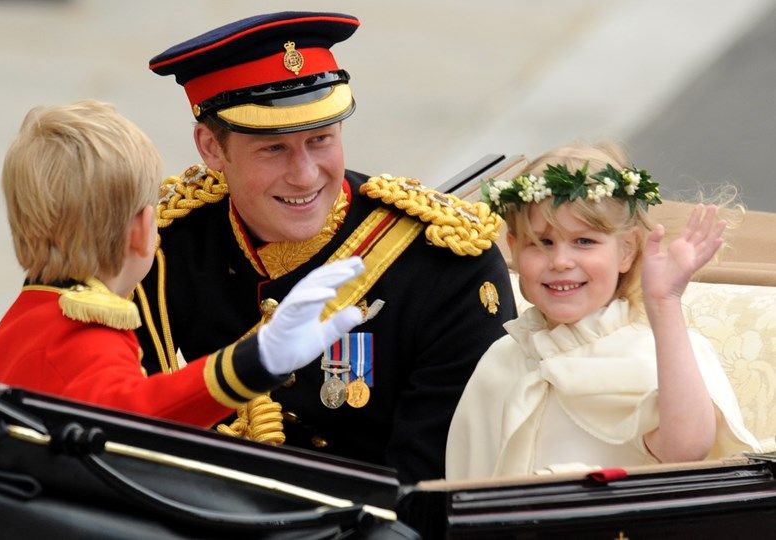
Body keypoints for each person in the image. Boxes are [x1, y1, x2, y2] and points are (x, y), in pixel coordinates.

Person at [135, 11, 517, 483]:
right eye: (273, 149)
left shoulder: (446, 266)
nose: (305, 175)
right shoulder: (159, 246)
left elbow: (429, 490)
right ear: (212, 148)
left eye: (320, 140)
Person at [0, 100, 366, 432]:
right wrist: (258, 360)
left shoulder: (24, 320)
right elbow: (136, 420)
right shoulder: (87, 338)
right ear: (145, 228)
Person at [445, 142, 761, 480]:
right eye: (542, 243)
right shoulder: (502, 358)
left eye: (584, 242)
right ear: (514, 250)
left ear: (626, 251)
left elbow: (685, 450)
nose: (561, 261)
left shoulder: (660, 350)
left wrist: (665, 303)